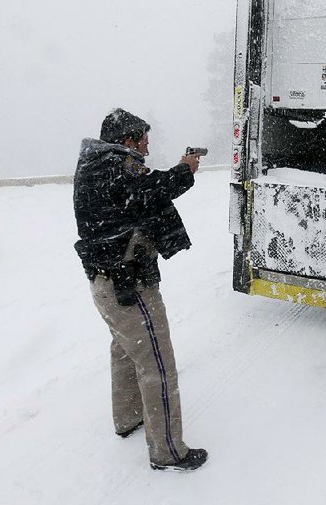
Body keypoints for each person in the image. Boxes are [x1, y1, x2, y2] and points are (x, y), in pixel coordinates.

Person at [73, 108, 208, 472]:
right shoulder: (114, 165)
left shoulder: (97, 164)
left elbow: (140, 191)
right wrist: (184, 170)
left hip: (108, 283)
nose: (148, 144)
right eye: (143, 138)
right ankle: (168, 451)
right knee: (158, 363)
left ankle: (128, 418)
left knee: (124, 349)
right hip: (128, 285)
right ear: (128, 139)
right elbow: (149, 191)